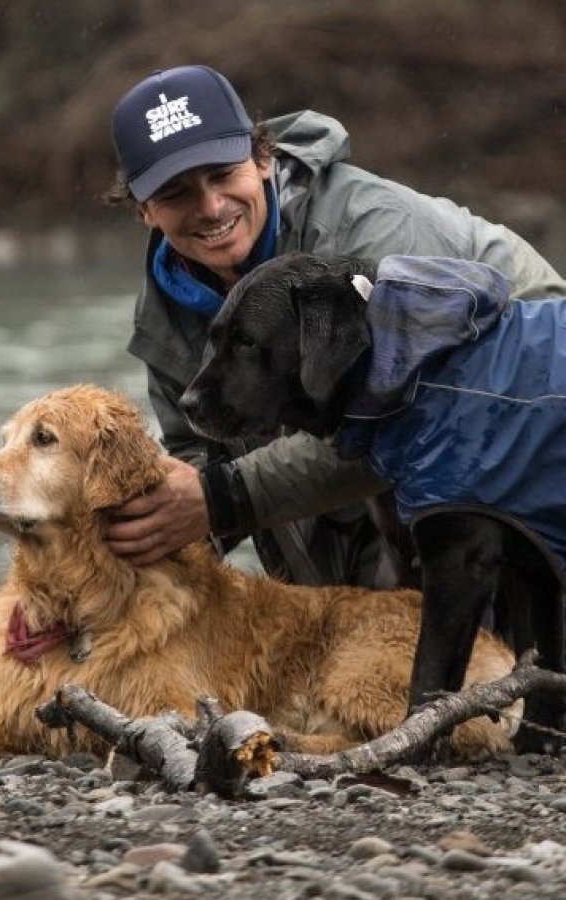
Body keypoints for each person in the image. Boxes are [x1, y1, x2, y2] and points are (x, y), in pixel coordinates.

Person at [101, 64, 566, 588]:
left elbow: (405, 416)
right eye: (177, 194)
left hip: (519, 419)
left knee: (258, 486)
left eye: (222, 174)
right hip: (383, 450)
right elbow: (193, 466)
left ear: (261, 157)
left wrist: (221, 498)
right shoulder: (165, 307)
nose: (211, 207)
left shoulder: (368, 233)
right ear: (144, 211)